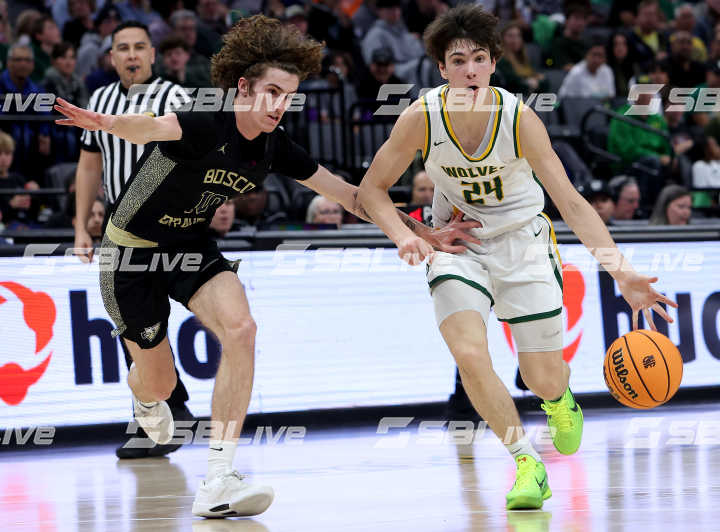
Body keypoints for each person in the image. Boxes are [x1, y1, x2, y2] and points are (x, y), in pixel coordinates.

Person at [54, 14, 478, 518]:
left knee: (242, 328)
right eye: (272, 92)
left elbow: (351, 196)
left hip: (191, 245)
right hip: (130, 251)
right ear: (242, 88)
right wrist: (105, 123)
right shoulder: (206, 120)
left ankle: (217, 479)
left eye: (288, 95)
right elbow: (150, 126)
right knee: (159, 386)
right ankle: (146, 403)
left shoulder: (275, 146)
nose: (280, 104)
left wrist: (417, 232)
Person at [357, 4, 677, 510]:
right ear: (441, 69)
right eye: (457, 60)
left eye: (478, 59)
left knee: (542, 375)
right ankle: (526, 462)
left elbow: (571, 202)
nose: (468, 70)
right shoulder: (420, 118)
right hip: (457, 246)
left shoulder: (518, 119)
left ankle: (558, 400)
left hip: (523, 242)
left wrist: (623, 273)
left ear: (492, 64)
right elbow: (370, 191)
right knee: (468, 352)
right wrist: (408, 234)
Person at [74, 20, 193, 460]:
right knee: (133, 326)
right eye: (122, 48)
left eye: (139, 47)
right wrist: (80, 225)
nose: (131, 55)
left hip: (174, 227)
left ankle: (171, 410)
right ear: (111, 57)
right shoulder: (100, 100)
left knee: (156, 322)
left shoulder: (175, 97)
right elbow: (88, 165)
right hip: (119, 232)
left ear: (153, 54)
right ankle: (161, 416)